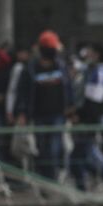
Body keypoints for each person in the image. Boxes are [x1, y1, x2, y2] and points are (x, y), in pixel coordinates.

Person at [14, 31, 74, 180]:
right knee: (40, 149)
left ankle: (53, 178)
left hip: (57, 115)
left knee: (55, 148)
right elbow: (22, 92)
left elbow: (68, 88)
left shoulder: (61, 66)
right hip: (38, 115)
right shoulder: (30, 68)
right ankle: (44, 178)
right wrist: (22, 112)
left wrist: (71, 108)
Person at [69, 43, 103, 191]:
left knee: (82, 154)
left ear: (97, 54)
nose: (87, 56)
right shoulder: (91, 71)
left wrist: (80, 115)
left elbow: (94, 100)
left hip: (91, 120)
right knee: (83, 154)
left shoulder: (100, 72)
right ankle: (87, 186)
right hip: (88, 118)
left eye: (90, 52)